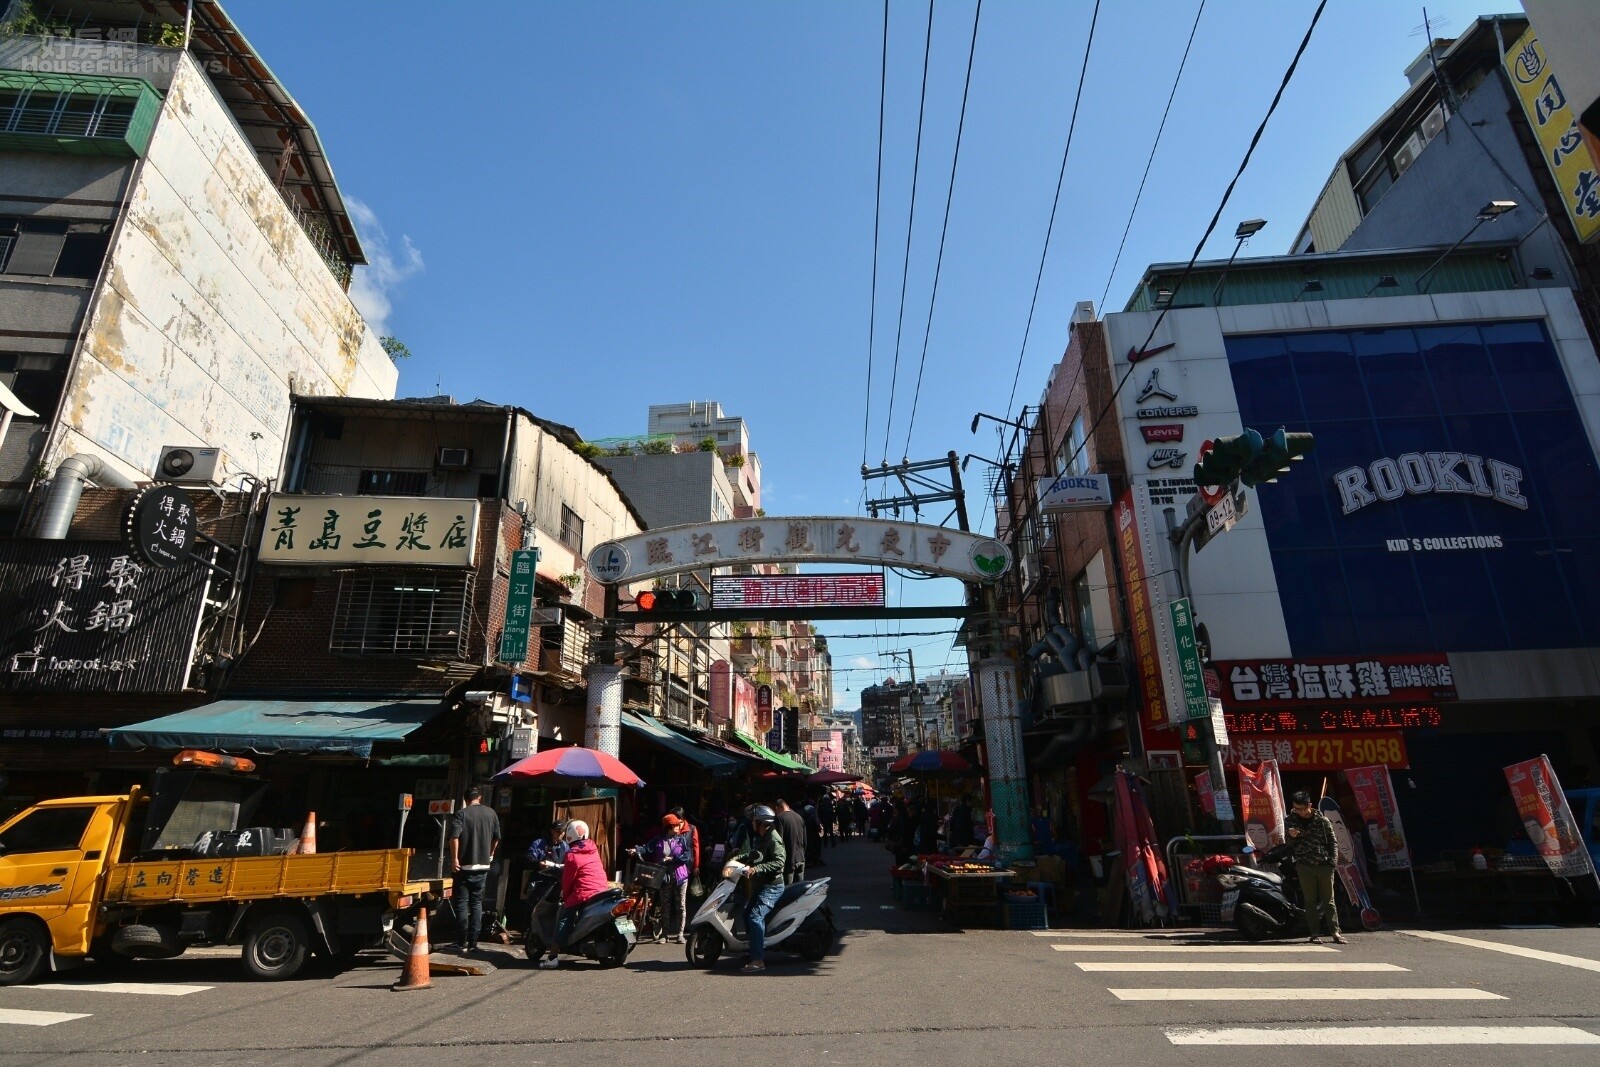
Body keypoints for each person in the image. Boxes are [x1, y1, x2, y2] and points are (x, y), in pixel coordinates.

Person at [539, 819, 610, 968]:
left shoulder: (571, 855)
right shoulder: (593, 848)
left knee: (564, 918)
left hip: (583, 891)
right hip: (602, 889)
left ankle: (552, 958)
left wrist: (565, 896)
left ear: (570, 835)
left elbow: (567, 881)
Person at [1286, 791, 1347, 945]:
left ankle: (1335, 932)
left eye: (1301, 808)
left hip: (1323, 864)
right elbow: (1288, 844)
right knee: (1310, 900)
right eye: (1295, 808)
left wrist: (1332, 862)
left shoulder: (1322, 821)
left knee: (1328, 900)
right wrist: (1291, 837)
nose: (1298, 811)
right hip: (1304, 864)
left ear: (1309, 806)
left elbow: (1333, 842)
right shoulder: (1291, 821)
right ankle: (1314, 933)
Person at [730, 805, 786, 973]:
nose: (752, 823)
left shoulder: (773, 838)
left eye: (755, 821)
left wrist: (757, 869)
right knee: (747, 914)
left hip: (772, 886)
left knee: (755, 916)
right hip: (761, 885)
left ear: (762, 822)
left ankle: (758, 960)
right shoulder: (761, 836)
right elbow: (754, 854)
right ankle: (754, 949)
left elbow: (779, 862)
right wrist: (736, 858)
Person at [446, 786, 500, 953]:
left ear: (465, 799)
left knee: (462, 904)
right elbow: (496, 838)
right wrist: (490, 854)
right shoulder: (491, 813)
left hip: (464, 865)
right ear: (480, 798)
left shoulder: (461, 814)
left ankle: (461, 941)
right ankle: (473, 942)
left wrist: (454, 859)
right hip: (483, 865)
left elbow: (454, 838)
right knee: (477, 903)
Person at [642, 814, 692, 943]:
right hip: (665, 877)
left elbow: (687, 856)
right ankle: (665, 934)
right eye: (675, 824)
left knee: (681, 905)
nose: (678, 826)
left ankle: (680, 934)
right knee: (665, 905)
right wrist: (635, 850)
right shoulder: (658, 840)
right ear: (669, 826)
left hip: (681, 876)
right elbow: (646, 849)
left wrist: (673, 859)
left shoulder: (682, 840)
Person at [773, 797, 808, 884]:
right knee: (799, 889)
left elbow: (779, 841)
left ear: (777, 808)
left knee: (789, 890)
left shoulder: (779, 818)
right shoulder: (799, 817)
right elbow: (805, 840)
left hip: (789, 859)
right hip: (801, 857)